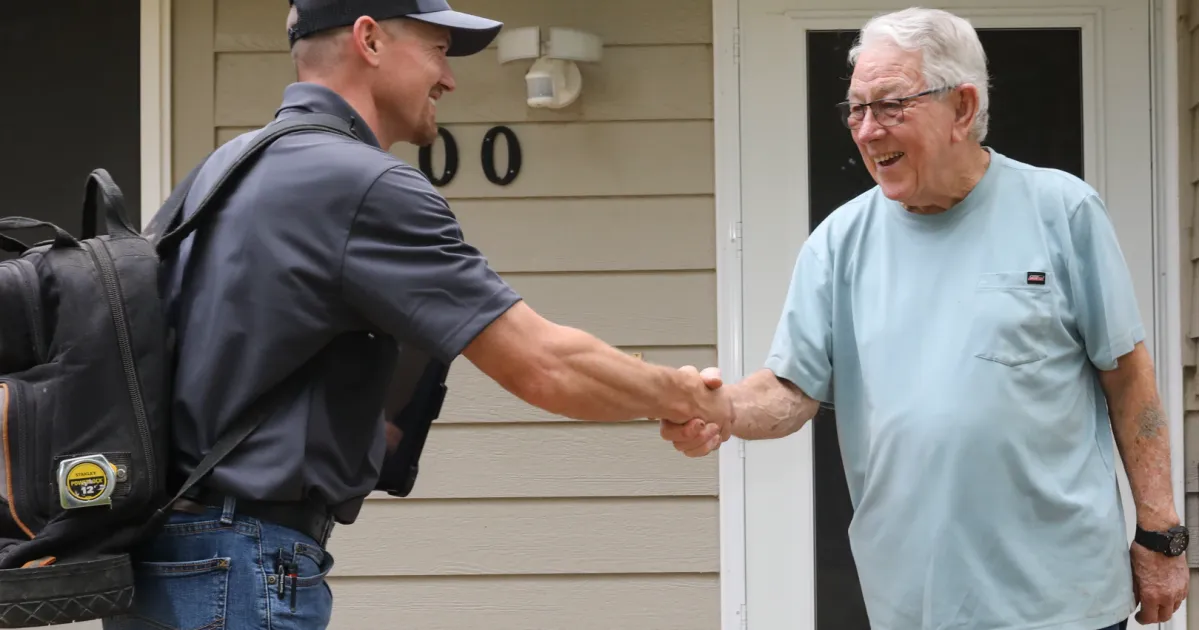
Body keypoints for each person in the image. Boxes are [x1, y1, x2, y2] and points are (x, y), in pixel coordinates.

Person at [101, 1, 732, 629]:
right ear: (370, 40)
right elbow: (544, 364)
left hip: (160, 559)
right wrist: (688, 395)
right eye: (437, 49)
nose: (449, 78)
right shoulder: (362, 184)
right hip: (238, 570)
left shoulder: (223, 168)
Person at [662, 7, 1188, 630]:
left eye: (890, 106)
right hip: (914, 604)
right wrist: (719, 409)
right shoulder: (837, 244)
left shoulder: (1063, 211)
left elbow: (1128, 379)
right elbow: (790, 391)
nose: (867, 130)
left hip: (1063, 600)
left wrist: (1161, 534)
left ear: (962, 107)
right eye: (856, 109)